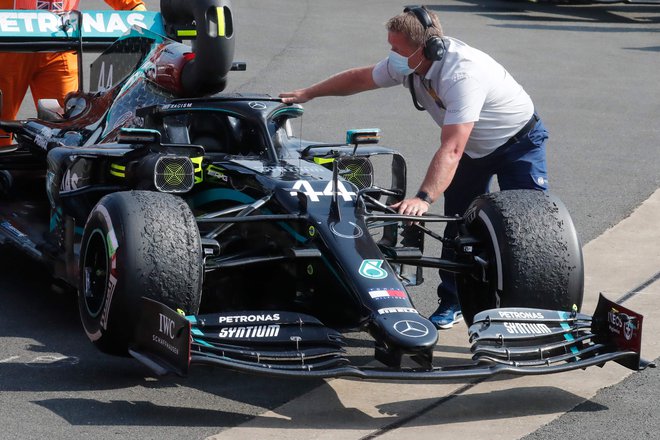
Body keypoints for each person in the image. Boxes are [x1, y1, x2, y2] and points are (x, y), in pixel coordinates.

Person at [280, 6, 549, 329]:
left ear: (427, 48)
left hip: (518, 143)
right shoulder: (411, 64)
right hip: (473, 149)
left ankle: (536, 313)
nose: (391, 56)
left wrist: (423, 197)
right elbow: (361, 78)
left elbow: (451, 147)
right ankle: (453, 303)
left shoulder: (462, 74)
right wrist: (309, 93)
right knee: (461, 226)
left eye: (396, 49)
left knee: (530, 227)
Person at [0, 0, 147, 147]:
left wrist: (136, 10)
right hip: (9, 43)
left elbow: (132, 6)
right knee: (1, 127)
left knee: (66, 129)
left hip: (60, 44)